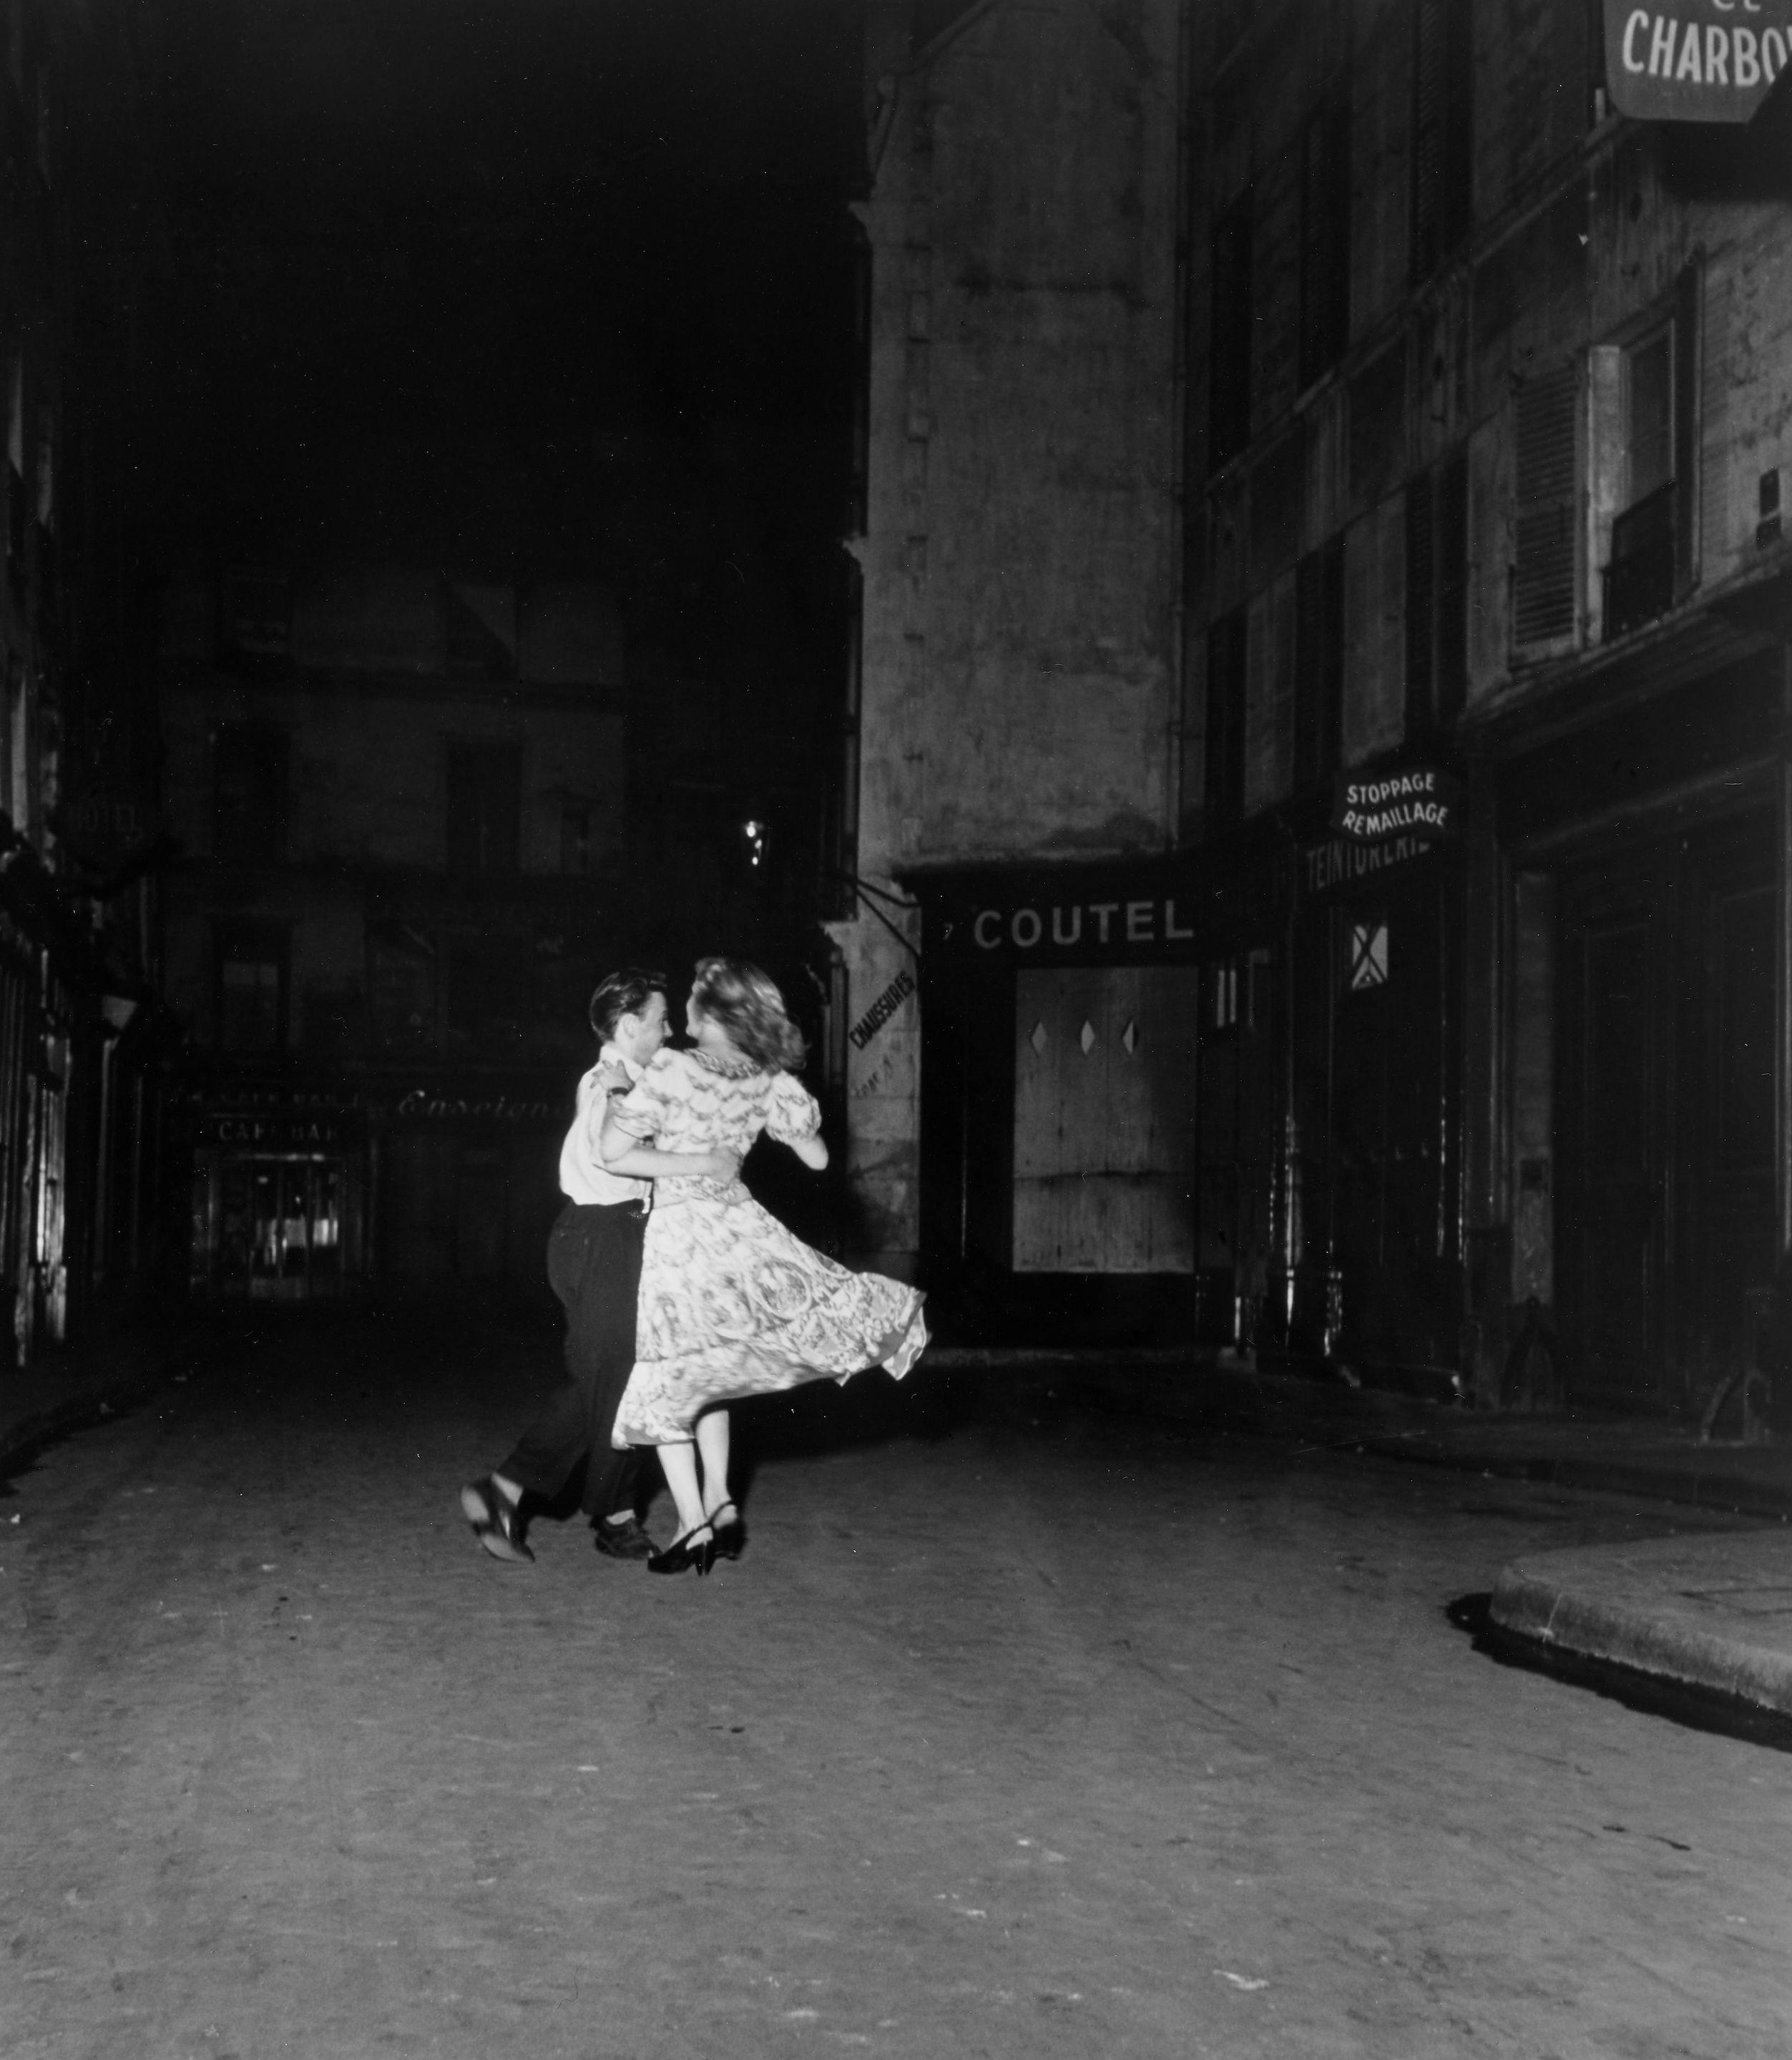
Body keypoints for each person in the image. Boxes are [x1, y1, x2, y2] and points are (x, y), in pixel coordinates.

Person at [599, 956, 927, 1576]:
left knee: (673, 1378)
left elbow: (614, 1156)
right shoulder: (767, 1078)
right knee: (712, 1369)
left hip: (683, 1237)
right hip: (741, 1230)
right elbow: (818, 1158)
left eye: (693, 998)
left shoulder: (672, 1069)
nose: (684, 1011)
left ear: (714, 1012)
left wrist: (694, 1160)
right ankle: (720, 1498)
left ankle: (693, 1521)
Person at [459, 968, 740, 1565]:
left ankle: (601, 1509)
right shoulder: (605, 1084)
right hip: (602, 1236)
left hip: (617, 1238)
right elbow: (615, 1160)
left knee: (617, 1381)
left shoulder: (629, 1079)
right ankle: (538, 1495)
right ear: (630, 1024)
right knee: (611, 1381)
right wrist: (698, 1162)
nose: (668, 1031)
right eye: (661, 1020)